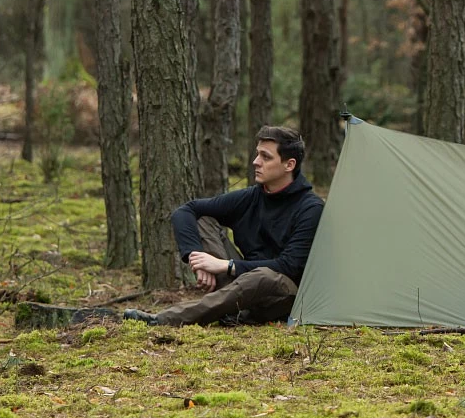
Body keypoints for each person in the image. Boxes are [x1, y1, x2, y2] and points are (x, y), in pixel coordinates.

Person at [122, 125, 324, 326]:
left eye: (266, 157)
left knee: (263, 277)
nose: (255, 162)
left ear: (289, 165)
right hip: (241, 283)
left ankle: (164, 319)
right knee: (203, 218)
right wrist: (197, 258)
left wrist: (226, 266)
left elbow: (288, 266)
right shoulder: (250, 197)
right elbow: (186, 211)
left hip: (283, 295)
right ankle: (237, 312)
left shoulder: (310, 208)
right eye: (257, 155)